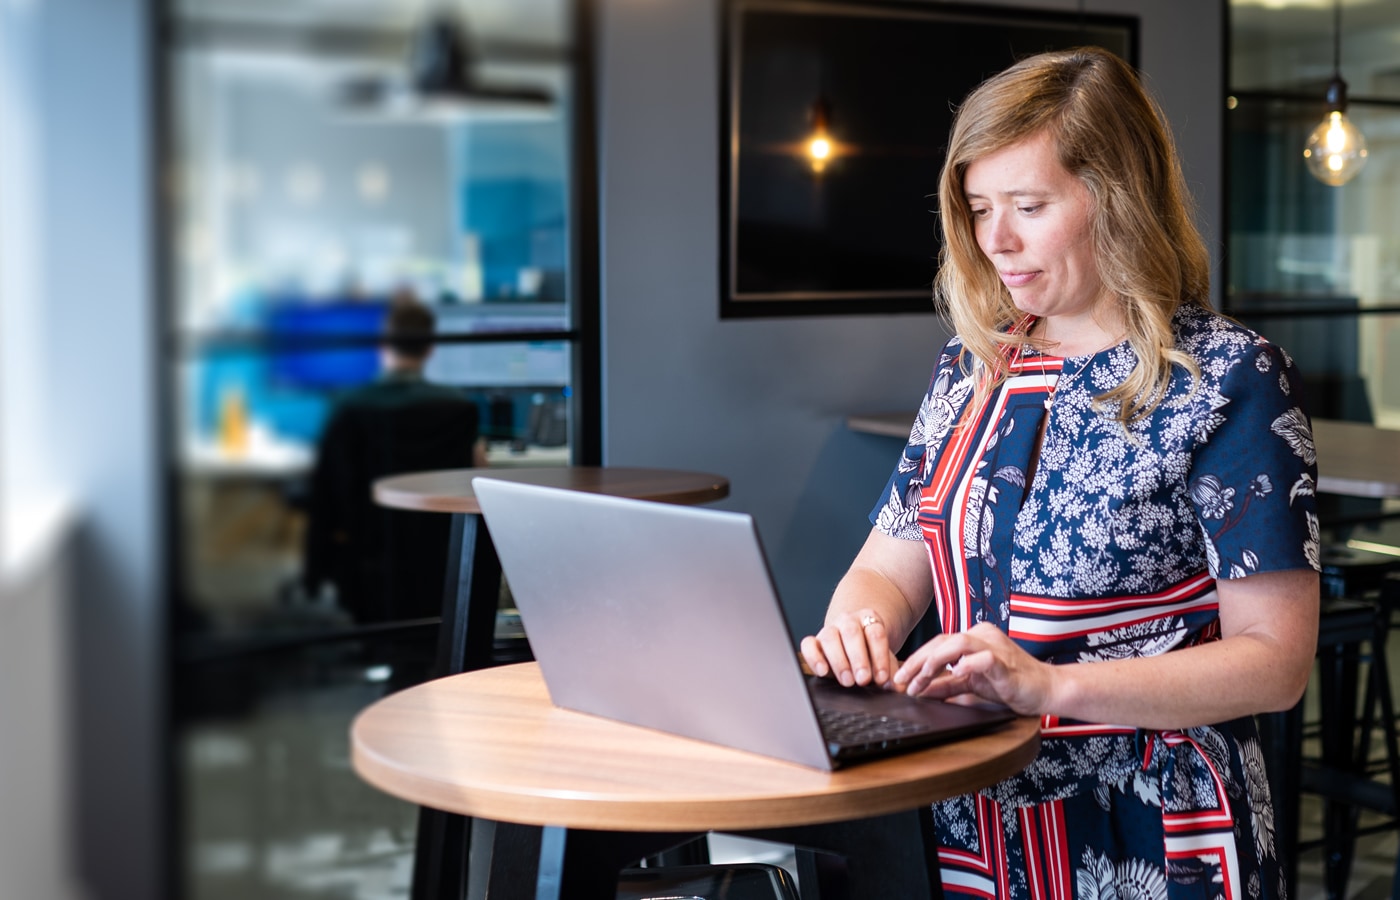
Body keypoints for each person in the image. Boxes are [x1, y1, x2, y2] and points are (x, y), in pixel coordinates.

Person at [800, 47, 1320, 899]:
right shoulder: (975, 366)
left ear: (1118, 200)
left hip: (1151, 834)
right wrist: (860, 626)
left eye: (1029, 206)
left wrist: (1049, 687)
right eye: (976, 208)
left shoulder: (1228, 378)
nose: (994, 240)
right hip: (968, 816)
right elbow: (889, 567)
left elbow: (1274, 662)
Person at [302, 292, 487, 623]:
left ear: (383, 346)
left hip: (368, 555)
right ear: (430, 349)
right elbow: (473, 481)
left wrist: (314, 569)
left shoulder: (350, 406)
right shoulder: (458, 407)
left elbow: (325, 494)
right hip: (437, 562)